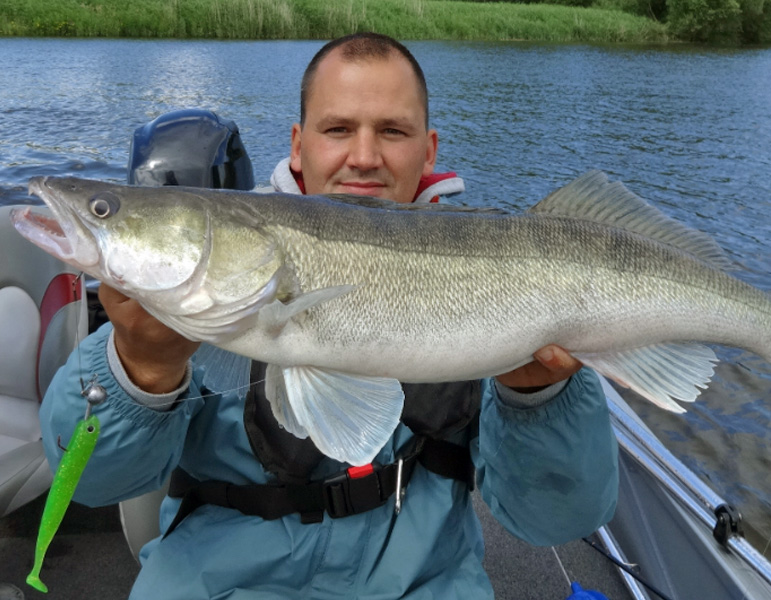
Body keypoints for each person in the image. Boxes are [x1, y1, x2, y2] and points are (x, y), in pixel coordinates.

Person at [39, 33, 619, 599]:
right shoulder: (195, 296)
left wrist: (539, 400)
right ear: (297, 144)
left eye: (393, 131)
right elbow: (89, 484)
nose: (364, 157)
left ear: (430, 149)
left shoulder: (497, 267)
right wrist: (138, 367)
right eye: (337, 129)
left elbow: (551, 520)